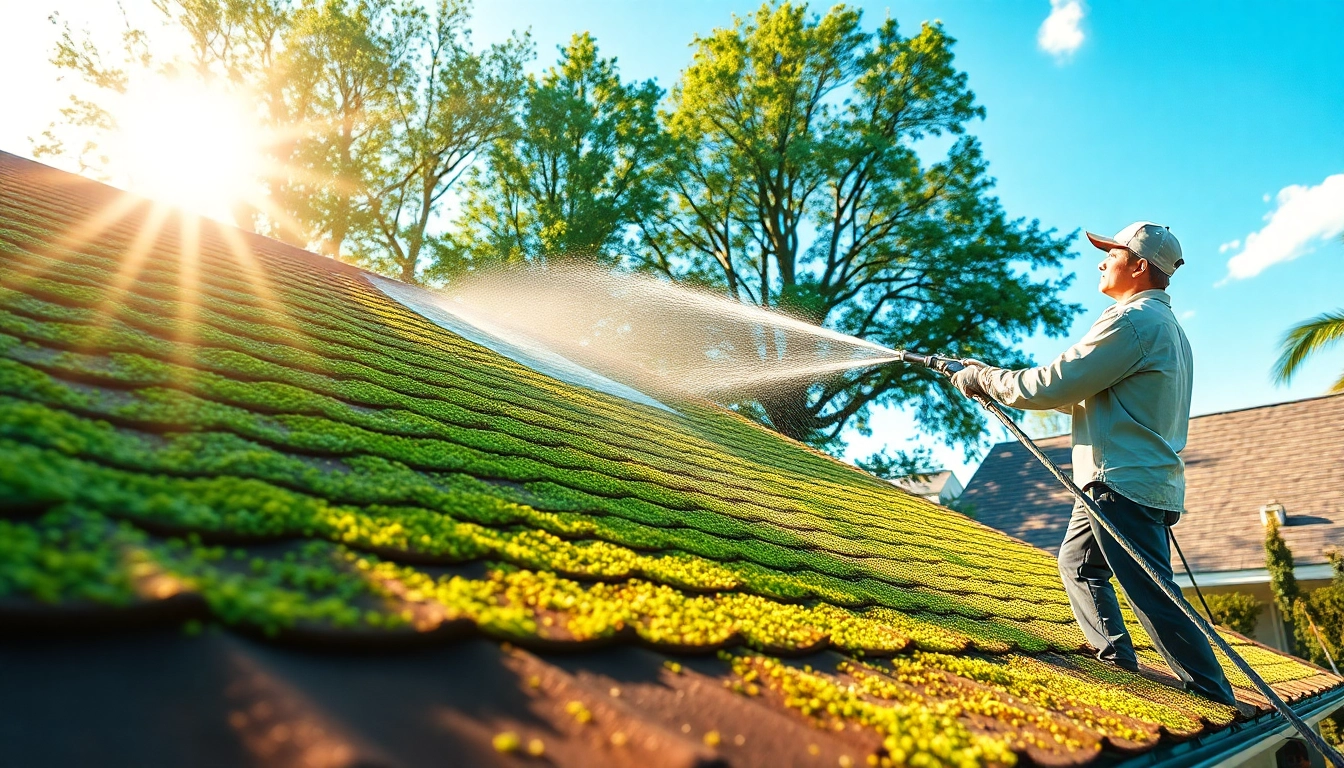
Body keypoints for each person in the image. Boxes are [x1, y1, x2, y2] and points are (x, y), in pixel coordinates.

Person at [949, 221, 1239, 708]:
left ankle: (1214, 695)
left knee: (1153, 596)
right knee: (1078, 565)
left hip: (1119, 480)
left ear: (1141, 266)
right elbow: (1083, 394)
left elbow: (1053, 384)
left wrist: (984, 378)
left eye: (1112, 254)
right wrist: (986, 376)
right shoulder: (1165, 327)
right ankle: (1116, 659)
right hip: (1124, 480)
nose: (1102, 261)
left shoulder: (1133, 321)